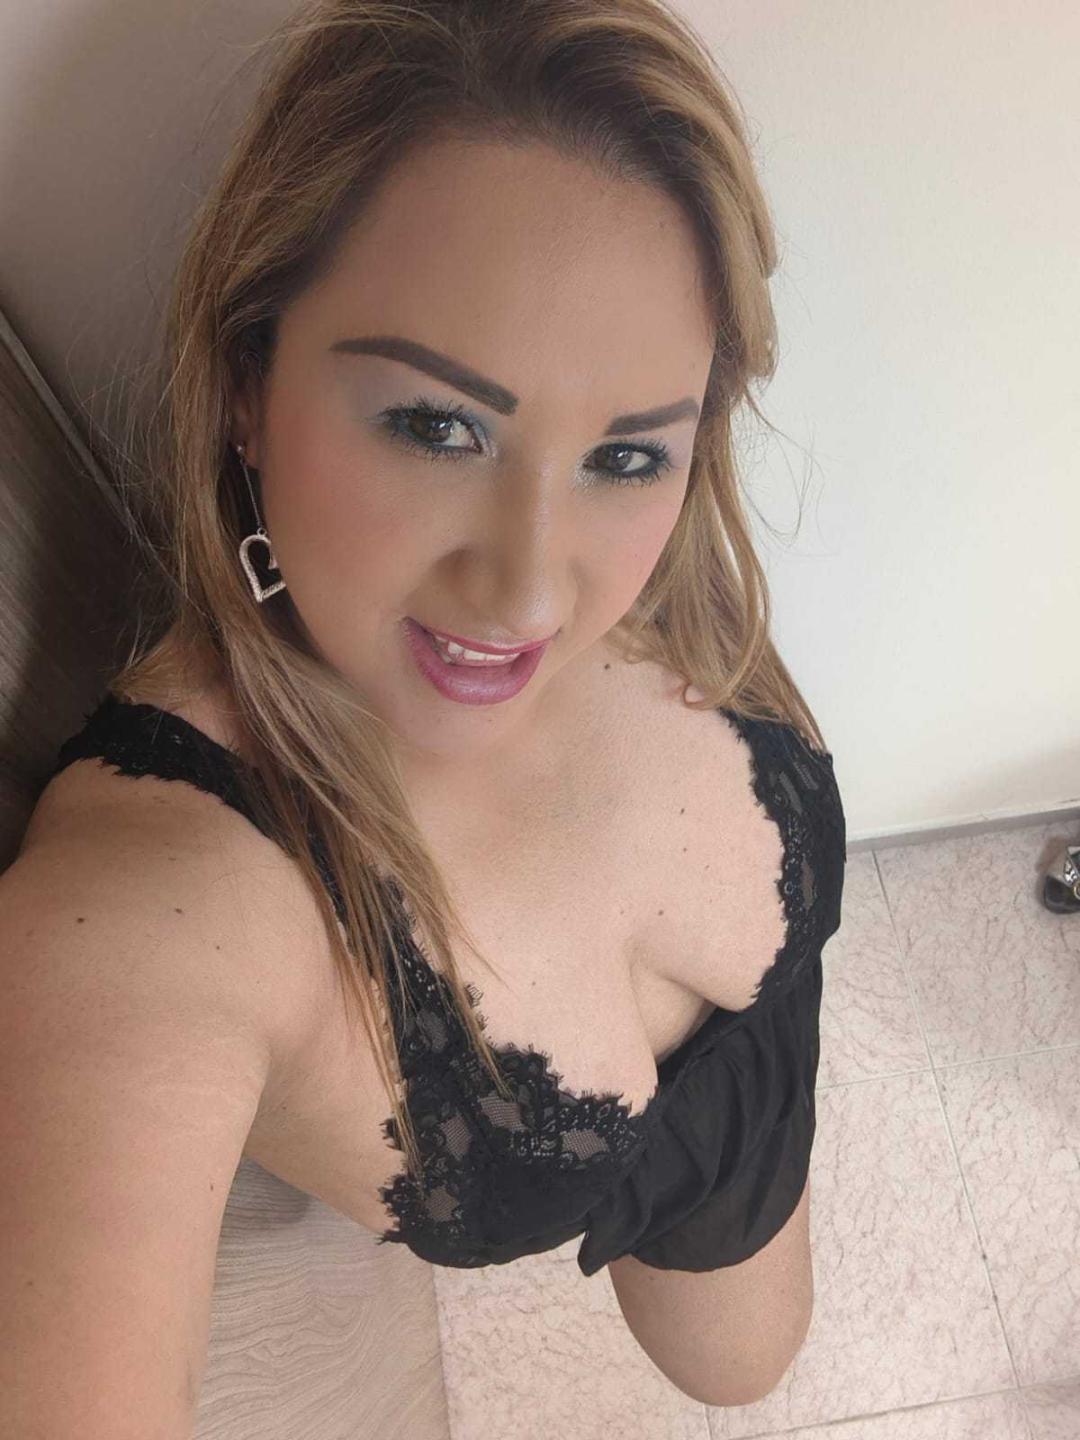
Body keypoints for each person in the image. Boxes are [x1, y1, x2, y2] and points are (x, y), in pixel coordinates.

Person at [2, 0, 847, 1426]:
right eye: (438, 427)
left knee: (751, 1361)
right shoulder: (153, 917)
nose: (530, 592)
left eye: (626, 456)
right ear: (248, 384)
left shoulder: (676, 569)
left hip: (771, 1067)